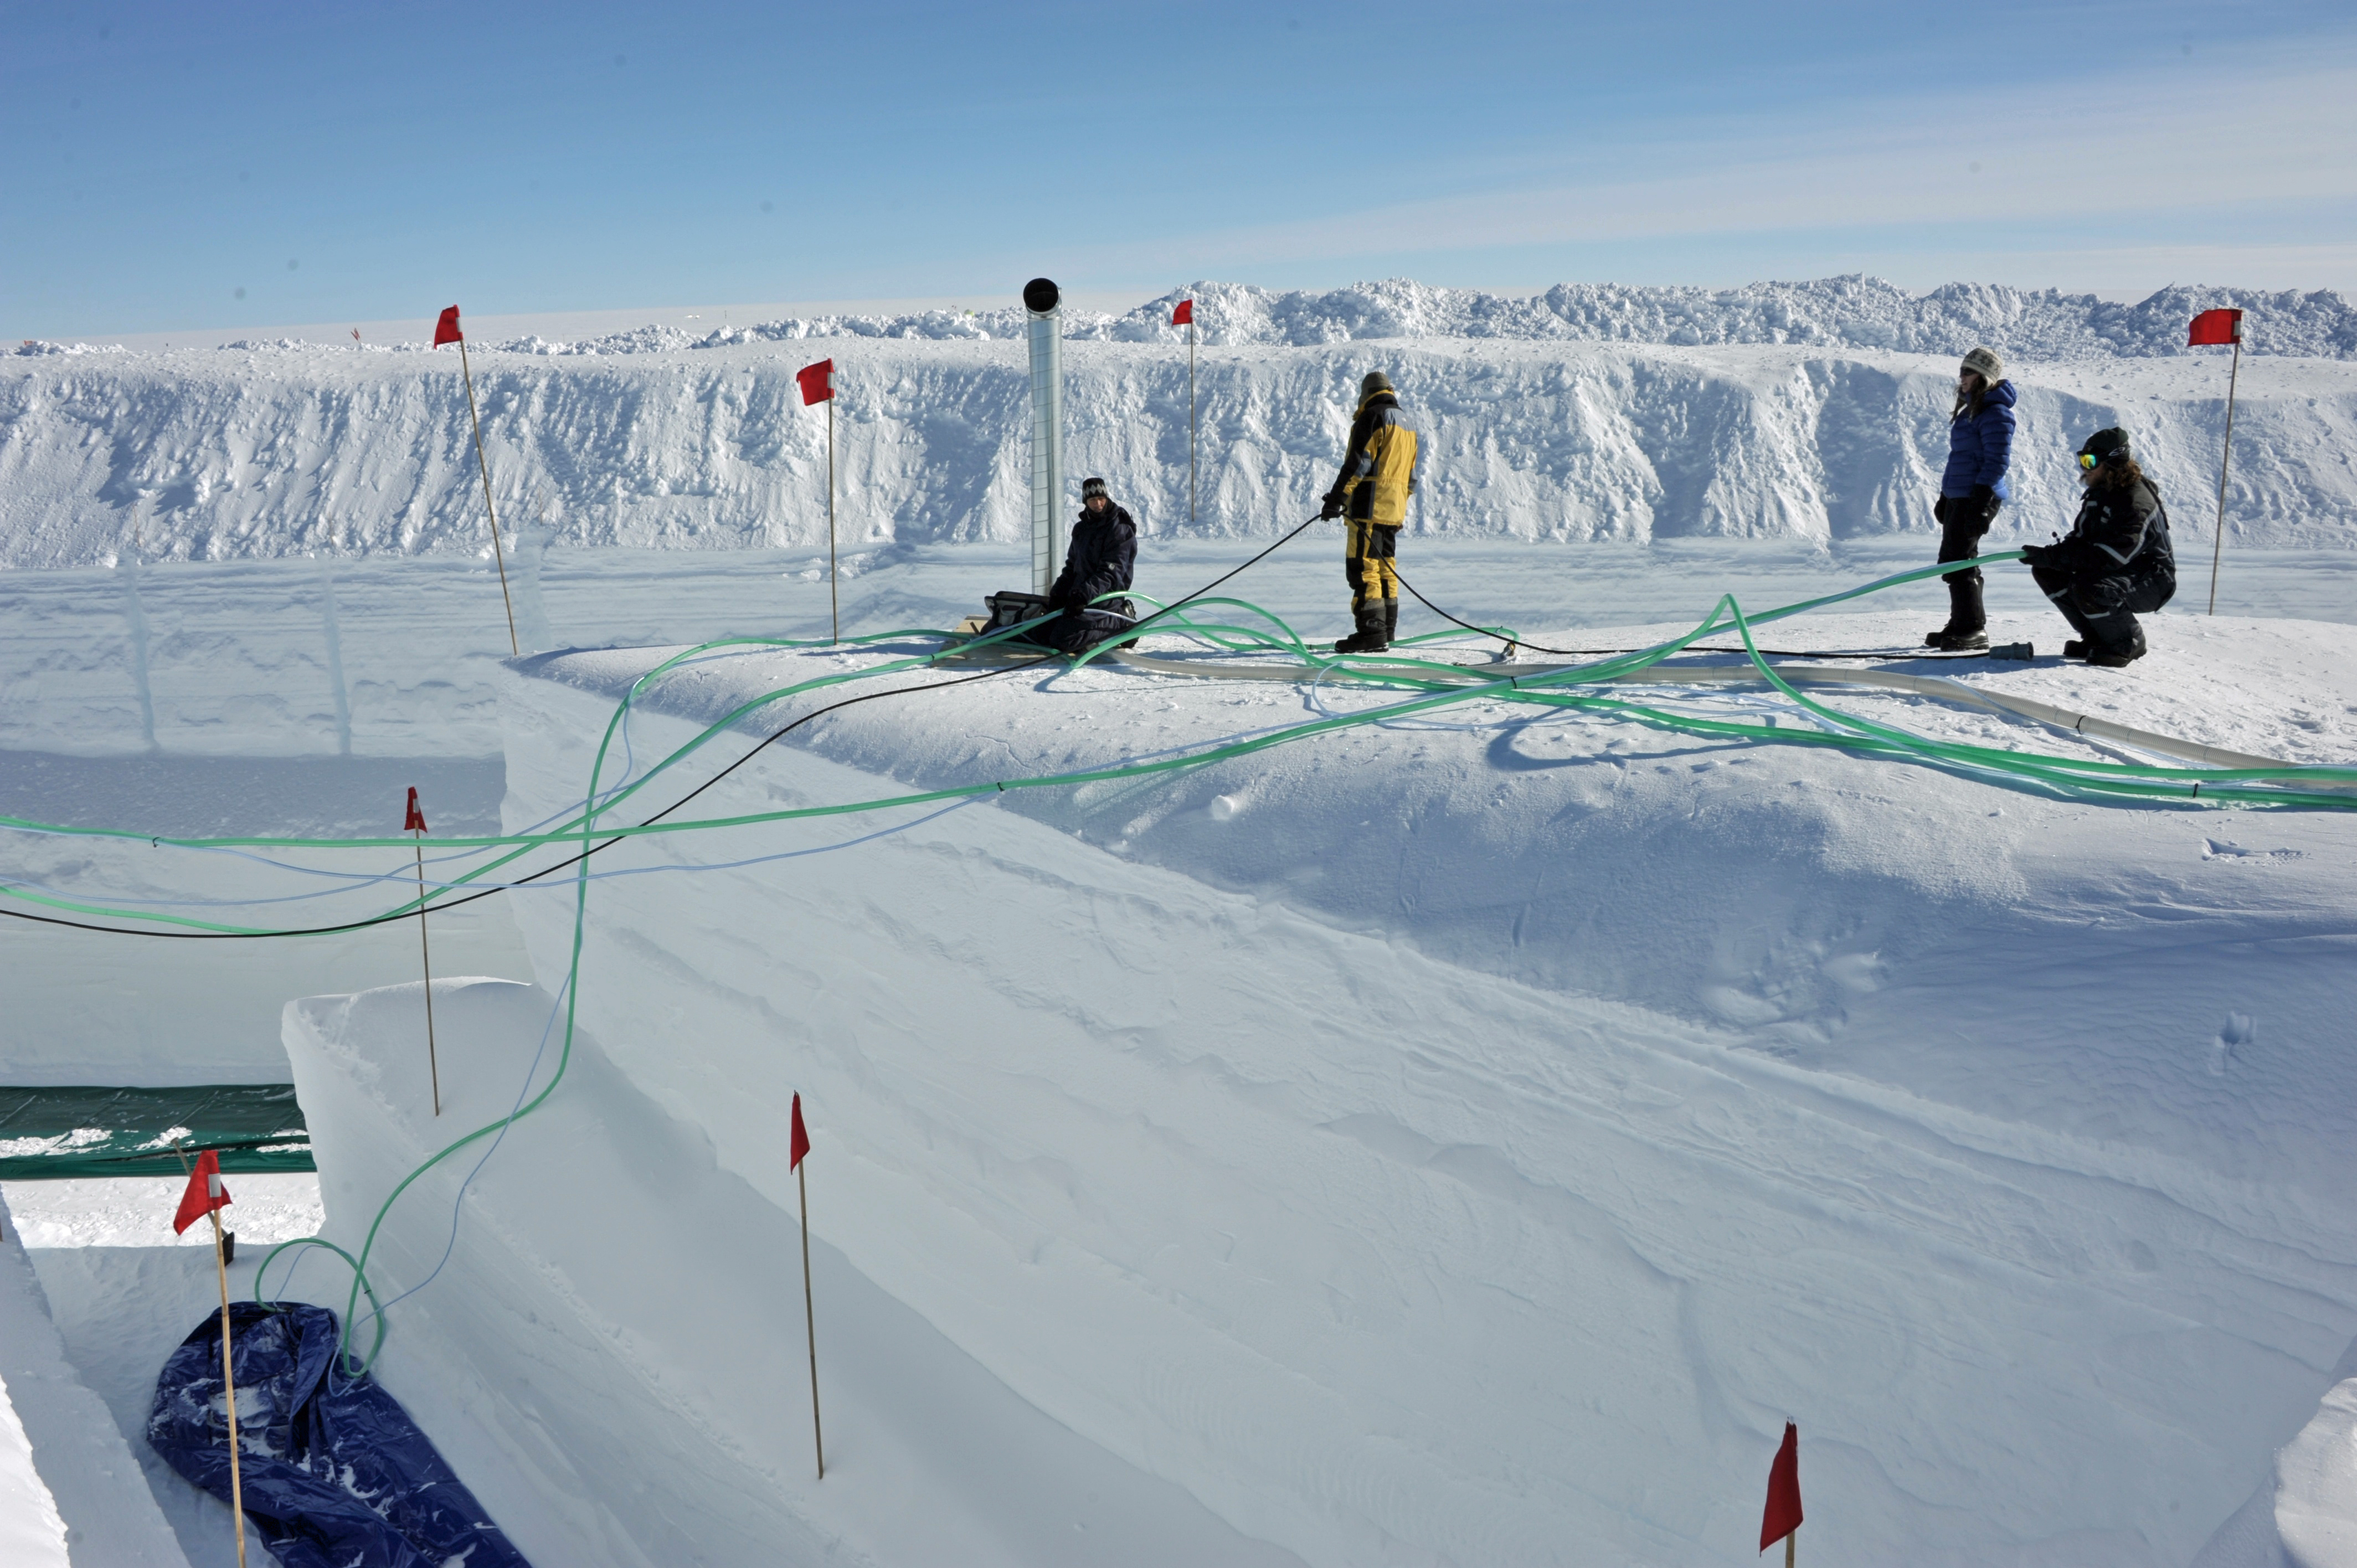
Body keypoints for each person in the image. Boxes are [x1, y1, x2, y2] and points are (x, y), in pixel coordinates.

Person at [2020, 427, 2175, 668]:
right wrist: (2048, 557)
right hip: (2120, 570)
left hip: (2152, 579)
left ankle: (2127, 641)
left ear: (2113, 464)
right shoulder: (2100, 494)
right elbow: (2081, 539)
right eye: (2082, 459)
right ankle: (2097, 637)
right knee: (2048, 572)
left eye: (2090, 461)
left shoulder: (2135, 503)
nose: (2084, 467)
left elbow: (2111, 557)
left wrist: (2055, 557)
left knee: (2091, 587)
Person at [1319, 370, 1421, 653]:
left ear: (1366, 394)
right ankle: (1386, 628)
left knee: (1363, 567)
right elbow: (1411, 476)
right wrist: (1398, 503)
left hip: (1368, 507)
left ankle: (1371, 631)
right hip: (1394, 509)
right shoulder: (1407, 424)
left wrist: (1338, 499)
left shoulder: (1373, 416)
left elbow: (1357, 463)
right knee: (1386, 568)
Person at [1926, 345, 2016, 651]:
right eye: (1961, 370)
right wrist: (1945, 495)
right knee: (1951, 561)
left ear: (1985, 377)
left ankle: (1973, 629)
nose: (1961, 377)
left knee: (1960, 561)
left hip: (1977, 495)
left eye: (1968, 372)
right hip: (1961, 494)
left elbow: (1997, 460)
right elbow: (1960, 458)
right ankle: (1960, 622)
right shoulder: (1972, 410)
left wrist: (1980, 499)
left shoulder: (1996, 413)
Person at [1036, 477, 1138, 654]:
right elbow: (1072, 567)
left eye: (1101, 499)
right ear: (1085, 502)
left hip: (1106, 598)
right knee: (1044, 634)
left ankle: (1121, 622)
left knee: (1063, 640)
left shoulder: (1119, 529)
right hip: (1084, 596)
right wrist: (1058, 594)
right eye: (1092, 500)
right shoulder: (1081, 529)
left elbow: (1111, 572)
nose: (1098, 504)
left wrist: (1083, 595)